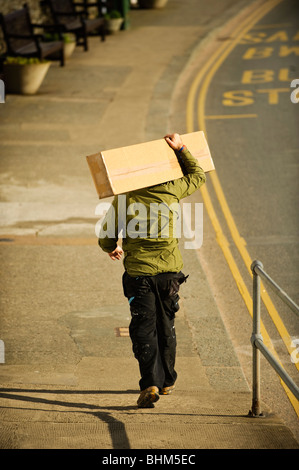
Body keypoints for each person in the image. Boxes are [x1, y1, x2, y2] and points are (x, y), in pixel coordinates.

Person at [98, 133, 206, 408]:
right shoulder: (172, 189)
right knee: (166, 325)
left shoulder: (126, 195)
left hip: (139, 275)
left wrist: (111, 247)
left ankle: (151, 384)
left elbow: (107, 235)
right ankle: (168, 381)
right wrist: (182, 148)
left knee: (144, 329)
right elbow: (198, 174)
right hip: (170, 274)